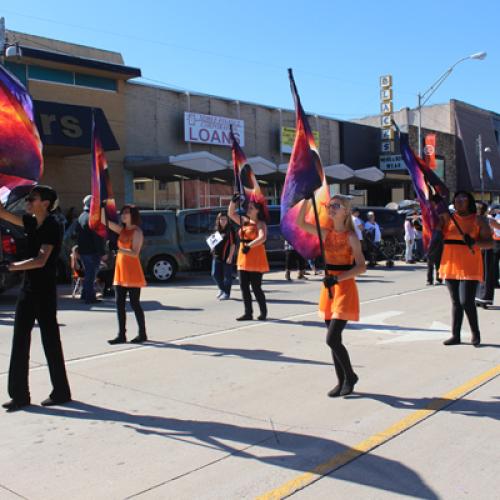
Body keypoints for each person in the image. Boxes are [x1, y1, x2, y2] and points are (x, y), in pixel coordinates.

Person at [0, 185, 71, 412]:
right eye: (28, 199)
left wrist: (12, 267)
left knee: (50, 341)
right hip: (28, 289)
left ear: (46, 203)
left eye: (33, 199)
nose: (28, 202)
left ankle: (61, 392)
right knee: (20, 340)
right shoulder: (31, 221)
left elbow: (41, 260)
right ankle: (20, 395)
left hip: (45, 291)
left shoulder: (52, 225)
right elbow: (6, 215)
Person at [297, 195, 366, 397]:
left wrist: (338, 279)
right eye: (330, 205)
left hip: (344, 288)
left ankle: (350, 376)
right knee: (334, 339)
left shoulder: (351, 237)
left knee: (332, 338)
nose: (332, 208)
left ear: (346, 210)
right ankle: (342, 380)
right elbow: (300, 223)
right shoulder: (325, 232)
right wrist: (306, 202)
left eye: (336, 206)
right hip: (329, 289)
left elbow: (362, 267)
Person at [438, 191, 492, 347]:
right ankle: (456, 335)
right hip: (450, 263)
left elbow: (489, 243)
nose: (460, 201)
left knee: (466, 301)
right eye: (457, 199)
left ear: (470, 202)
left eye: (464, 198)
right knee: (456, 302)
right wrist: (434, 207)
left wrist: (474, 243)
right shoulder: (448, 218)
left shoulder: (479, 220)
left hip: (469, 264)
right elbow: (432, 229)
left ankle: (475, 332)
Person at [105, 205, 147, 344]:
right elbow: (104, 222)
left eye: (127, 213)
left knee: (135, 303)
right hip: (120, 271)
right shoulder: (122, 230)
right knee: (119, 304)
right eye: (122, 213)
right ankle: (121, 335)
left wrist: (119, 250)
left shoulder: (137, 232)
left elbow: (135, 253)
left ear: (133, 215)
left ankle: (142, 334)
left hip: (132, 271)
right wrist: (99, 206)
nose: (123, 215)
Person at [228, 194, 269, 321]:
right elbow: (231, 214)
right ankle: (248, 313)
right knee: (244, 287)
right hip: (243, 258)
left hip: (255, 258)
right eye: (248, 207)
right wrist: (233, 202)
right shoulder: (244, 221)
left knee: (256, 288)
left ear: (258, 210)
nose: (248, 209)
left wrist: (249, 246)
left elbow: (262, 238)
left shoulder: (260, 223)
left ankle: (263, 312)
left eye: (251, 207)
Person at [75, 195, 105, 303]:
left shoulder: (81, 216)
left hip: (84, 250)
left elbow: (76, 233)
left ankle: (85, 294)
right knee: (91, 275)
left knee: (88, 273)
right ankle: (89, 297)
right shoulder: (93, 217)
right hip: (92, 251)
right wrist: (102, 252)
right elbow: (97, 236)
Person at [211, 212, 236, 300]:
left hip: (227, 256)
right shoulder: (216, 229)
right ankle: (222, 289)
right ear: (218, 220)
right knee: (215, 274)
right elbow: (213, 241)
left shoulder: (230, 230)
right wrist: (212, 247)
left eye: (224, 219)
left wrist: (230, 256)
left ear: (227, 220)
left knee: (227, 276)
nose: (223, 221)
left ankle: (227, 293)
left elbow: (233, 245)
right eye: (221, 219)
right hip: (217, 256)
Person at [475, 202, 495, 308]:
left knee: (481, 273)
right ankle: (482, 297)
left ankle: (479, 297)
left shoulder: (477, 220)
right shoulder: (486, 220)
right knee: (485, 273)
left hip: (480, 248)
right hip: (484, 248)